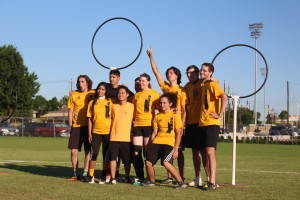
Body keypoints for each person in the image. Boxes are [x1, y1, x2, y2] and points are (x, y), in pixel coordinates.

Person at [146, 45, 187, 183]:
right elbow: (156, 71)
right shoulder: (166, 88)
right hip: (165, 121)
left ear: (177, 75)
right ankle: (169, 178)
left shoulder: (182, 90)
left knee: (178, 152)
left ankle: (181, 176)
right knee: (166, 154)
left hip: (177, 124)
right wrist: (151, 56)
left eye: (171, 73)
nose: (168, 75)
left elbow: (183, 108)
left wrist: (183, 122)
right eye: (168, 73)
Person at [143, 93, 187, 189]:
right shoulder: (157, 116)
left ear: (170, 103)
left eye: (164, 103)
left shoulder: (175, 114)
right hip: (157, 142)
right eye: (160, 103)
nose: (162, 105)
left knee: (166, 162)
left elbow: (179, 133)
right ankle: (152, 181)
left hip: (169, 143)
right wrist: (149, 145)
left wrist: (176, 149)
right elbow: (154, 132)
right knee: (148, 162)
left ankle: (181, 182)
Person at [198, 63, 227, 190]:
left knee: (210, 152)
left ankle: (213, 182)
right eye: (201, 70)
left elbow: (224, 97)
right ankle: (209, 179)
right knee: (204, 153)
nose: (201, 72)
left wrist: (220, 114)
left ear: (210, 73)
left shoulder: (213, 84)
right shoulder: (203, 84)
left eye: (204, 70)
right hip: (202, 122)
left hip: (211, 123)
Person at [131, 73, 160, 185]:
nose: (141, 83)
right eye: (140, 81)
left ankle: (149, 177)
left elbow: (161, 108)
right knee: (136, 152)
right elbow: (132, 111)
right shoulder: (136, 95)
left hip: (149, 125)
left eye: (143, 81)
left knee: (147, 152)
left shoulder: (154, 94)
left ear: (148, 81)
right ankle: (140, 177)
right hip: (137, 125)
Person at [67, 75, 95, 181]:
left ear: (87, 82)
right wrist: (71, 125)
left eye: (83, 81)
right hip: (76, 126)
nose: (80, 83)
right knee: (74, 151)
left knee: (88, 151)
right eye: (79, 82)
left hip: (88, 127)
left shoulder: (92, 93)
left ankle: (85, 173)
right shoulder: (74, 95)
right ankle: (75, 172)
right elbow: (70, 112)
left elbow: (105, 90)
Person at [86, 82, 112, 184]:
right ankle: (91, 175)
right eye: (99, 89)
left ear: (106, 91)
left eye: (103, 89)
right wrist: (89, 133)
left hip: (108, 132)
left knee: (106, 155)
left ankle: (103, 176)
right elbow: (90, 119)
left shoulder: (110, 102)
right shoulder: (92, 102)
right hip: (96, 132)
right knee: (94, 154)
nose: (100, 91)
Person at [108, 86, 134, 184]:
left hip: (127, 138)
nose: (121, 95)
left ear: (127, 95)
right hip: (114, 137)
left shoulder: (132, 106)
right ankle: (113, 178)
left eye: (123, 93)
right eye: (119, 93)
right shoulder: (113, 106)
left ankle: (127, 177)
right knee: (113, 158)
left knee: (127, 161)